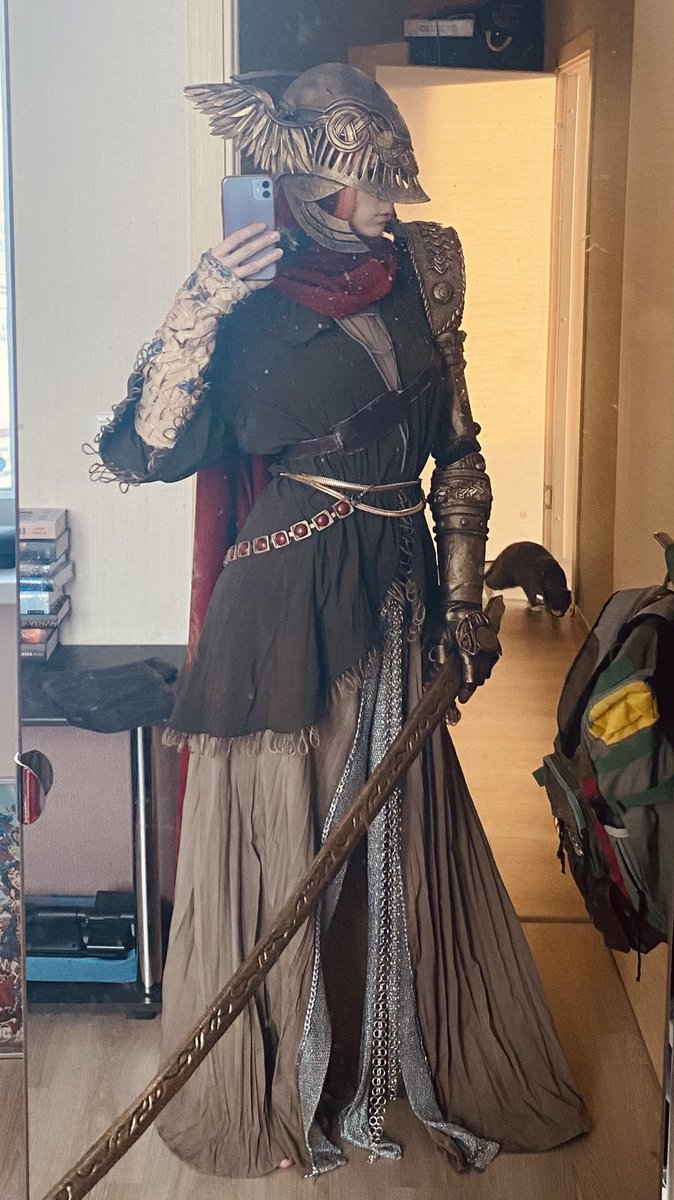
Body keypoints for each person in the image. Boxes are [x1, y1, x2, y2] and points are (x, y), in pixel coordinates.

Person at [93, 63, 589, 1179]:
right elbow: (148, 452)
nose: (391, 201)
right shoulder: (246, 295)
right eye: (372, 183)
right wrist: (198, 303)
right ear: (316, 183)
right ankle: (281, 1077)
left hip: (400, 590)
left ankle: (383, 1058)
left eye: (393, 180)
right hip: (284, 602)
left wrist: (462, 603)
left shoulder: (426, 269)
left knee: (391, 835)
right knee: (290, 835)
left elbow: (458, 454)